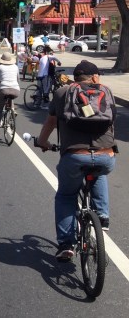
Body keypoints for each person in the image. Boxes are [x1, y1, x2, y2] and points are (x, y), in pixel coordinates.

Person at [35, 60, 117, 261]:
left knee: (66, 195)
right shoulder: (106, 91)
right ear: (95, 77)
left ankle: (66, 245)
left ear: (76, 78)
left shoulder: (63, 92)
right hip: (106, 154)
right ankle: (102, 217)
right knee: (99, 172)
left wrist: (43, 142)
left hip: (74, 155)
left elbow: (52, 122)